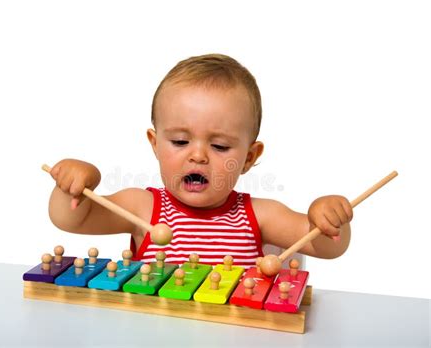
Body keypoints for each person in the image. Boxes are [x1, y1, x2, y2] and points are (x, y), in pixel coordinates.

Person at [47, 53, 353, 268]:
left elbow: (325, 245)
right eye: (180, 141)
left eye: (220, 146)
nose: (197, 155)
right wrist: (75, 183)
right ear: (155, 144)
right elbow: (72, 219)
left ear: (248, 158)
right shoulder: (143, 208)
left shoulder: (259, 215)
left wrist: (324, 216)